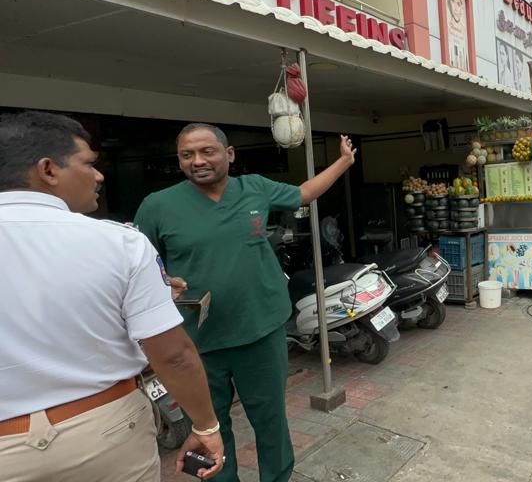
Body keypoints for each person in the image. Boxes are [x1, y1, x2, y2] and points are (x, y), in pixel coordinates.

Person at [0, 111, 224, 481]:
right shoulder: (119, 241)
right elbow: (174, 355)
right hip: (101, 435)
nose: (100, 175)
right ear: (48, 169)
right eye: (88, 163)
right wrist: (205, 426)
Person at [134, 123, 357, 481]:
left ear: (229, 154)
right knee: (208, 426)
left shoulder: (254, 187)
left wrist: (343, 162)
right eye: (187, 155)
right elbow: (142, 265)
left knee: (270, 419)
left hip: (261, 329)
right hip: (197, 342)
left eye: (208, 151)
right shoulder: (158, 206)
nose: (198, 161)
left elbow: (303, 193)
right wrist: (164, 283)